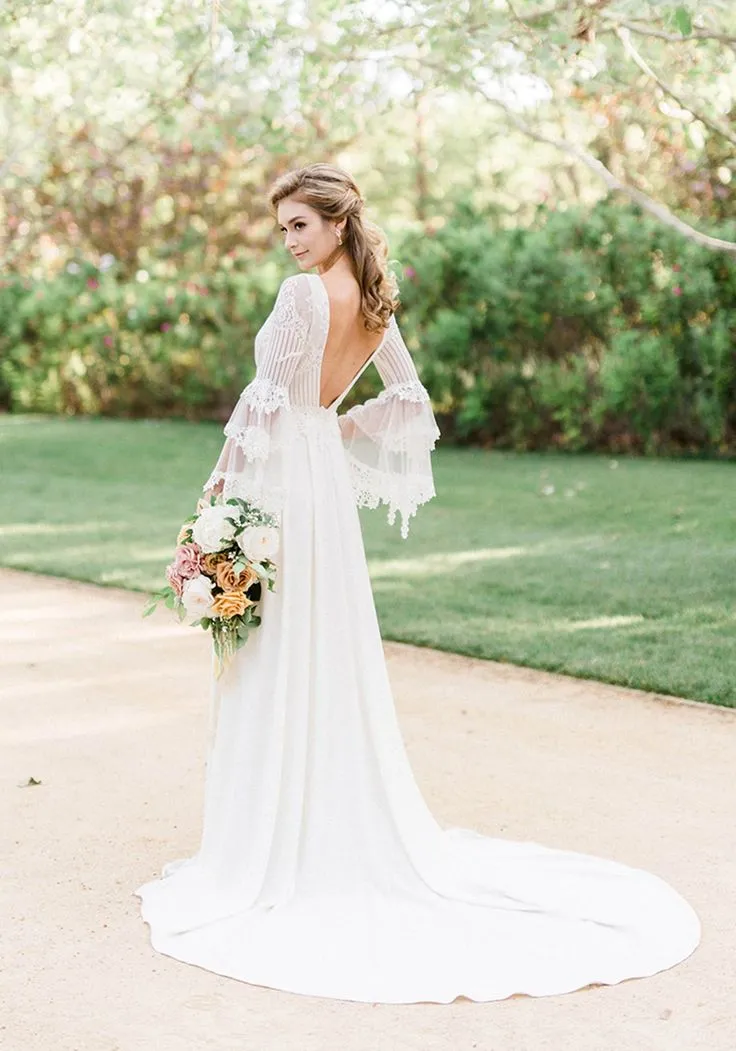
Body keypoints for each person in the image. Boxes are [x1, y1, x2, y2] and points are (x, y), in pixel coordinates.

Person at [135, 163, 700, 1004]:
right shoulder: (370, 301)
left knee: (271, 646)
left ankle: (274, 840)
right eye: (282, 226)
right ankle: (318, 818)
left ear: (334, 222)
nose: (286, 240)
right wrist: (339, 425)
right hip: (318, 479)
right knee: (311, 645)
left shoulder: (302, 298)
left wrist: (214, 500)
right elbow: (410, 400)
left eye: (298, 224)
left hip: (281, 487)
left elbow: (261, 406)